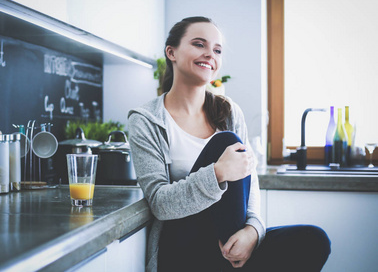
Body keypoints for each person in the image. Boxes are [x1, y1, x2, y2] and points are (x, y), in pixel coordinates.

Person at [128, 16, 331, 272]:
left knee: (313, 241)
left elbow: (250, 181)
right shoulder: (146, 120)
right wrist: (217, 173)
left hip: (226, 249)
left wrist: (253, 231)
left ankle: (235, 258)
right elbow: (159, 203)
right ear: (172, 52)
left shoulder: (228, 112)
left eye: (217, 50)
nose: (209, 54)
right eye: (199, 44)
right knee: (226, 142)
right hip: (181, 250)